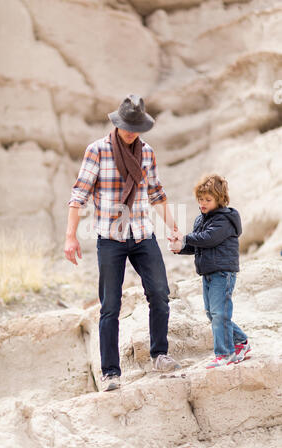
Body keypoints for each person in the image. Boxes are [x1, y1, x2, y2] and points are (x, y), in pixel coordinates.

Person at [65, 94, 181, 391]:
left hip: (143, 234)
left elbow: (156, 193)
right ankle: (111, 372)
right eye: (127, 126)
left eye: (136, 127)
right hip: (111, 238)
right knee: (110, 306)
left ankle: (160, 354)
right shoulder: (98, 151)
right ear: (117, 123)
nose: (131, 132)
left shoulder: (147, 153)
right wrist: (70, 237)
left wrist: (174, 227)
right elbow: (78, 195)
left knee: (159, 293)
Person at [168, 174, 251, 369]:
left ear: (219, 200)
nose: (203, 203)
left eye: (208, 200)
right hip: (208, 272)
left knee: (219, 313)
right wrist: (181, 247)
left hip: (223, 272)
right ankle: (242, 342)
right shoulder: (201, 219)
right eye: (200, 199)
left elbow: (209, 238)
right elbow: (200, 245)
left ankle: (225, 353)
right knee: (212, 314)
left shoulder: (225, 219)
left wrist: (185, 237)